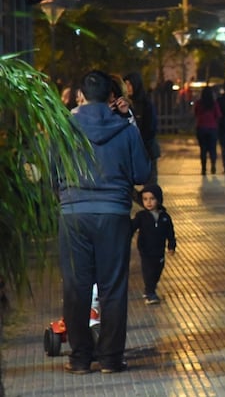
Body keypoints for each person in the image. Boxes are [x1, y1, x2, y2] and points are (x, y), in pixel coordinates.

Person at [57, 70, 151, 374]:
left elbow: (52, 171)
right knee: (113, 287)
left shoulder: (64, 128)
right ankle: (110, 358)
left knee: (75, 286)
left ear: (81, 96)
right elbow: (141, 174)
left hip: (73, 214)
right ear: (111, 97)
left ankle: (81, 358)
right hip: (113, 215)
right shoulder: (125, 129)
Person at [132, 184, 176, 305]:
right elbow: (132, 227)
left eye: (152, 199)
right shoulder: (141, 216)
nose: (148, 202)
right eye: (145, 199)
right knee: (148, 271)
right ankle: (150, 292)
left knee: (158, 270)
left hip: (159, 250)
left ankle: (150, 289)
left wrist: (171, 245)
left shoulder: (165, 217)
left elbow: (170, 232)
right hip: (145, 250)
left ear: (158, 199)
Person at [123, 72, 160, 184]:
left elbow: (150, 129)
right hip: (129, 152)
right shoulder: (123, 104)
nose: (128, 88)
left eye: (130, 84)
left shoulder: (146, 104)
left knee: (150, 186)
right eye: (126, 85)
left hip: (147, 150)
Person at [194, 86, 221, 175]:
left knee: (203, 149)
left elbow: (196, 113)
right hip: (212, 128)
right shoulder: (214, 103)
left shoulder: (199, 103)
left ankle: (204, 168)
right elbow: (218, 115)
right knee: (212, 149)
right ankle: (213, 165)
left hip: (201, 128)